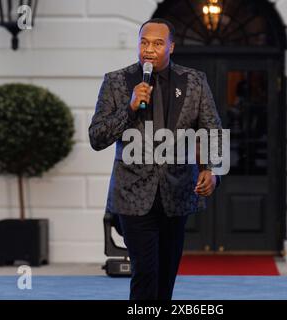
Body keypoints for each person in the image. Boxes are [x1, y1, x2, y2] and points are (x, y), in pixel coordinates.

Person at [89, 18, 222, 300]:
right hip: (132, 195)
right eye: (144, 42)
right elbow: (97, 137)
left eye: (158, 43)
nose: (149, 49)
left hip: (178, 194)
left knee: (166, 273)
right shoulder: (116, 82)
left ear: (171, 47)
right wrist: (130, 107)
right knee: (145, 271)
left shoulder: (194, 81)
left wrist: (212, 170)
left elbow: (212, 129)